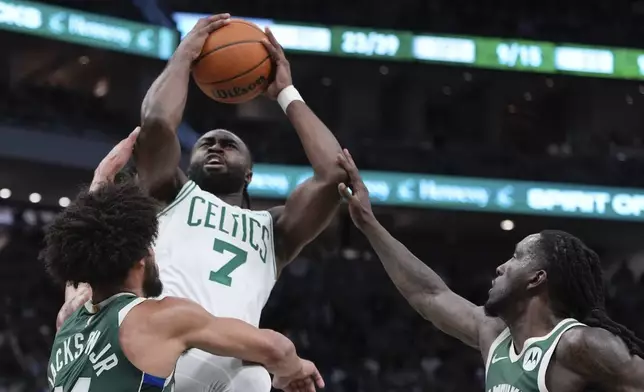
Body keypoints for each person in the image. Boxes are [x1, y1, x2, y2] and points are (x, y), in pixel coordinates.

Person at [62, 13, 347, 391]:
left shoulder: (275, 232)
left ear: (249, 174)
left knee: (254, 378)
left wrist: (285, 92)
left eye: (229, 144)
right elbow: (158, 123)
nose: (215, 146)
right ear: (187, 161)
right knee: (256, 376)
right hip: (158, 347)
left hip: (228, 358)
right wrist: (184, 55)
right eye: (206, 143)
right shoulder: (168, 191)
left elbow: (333, 174)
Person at [336, 148, 644, 392]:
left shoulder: (578, 344)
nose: (500, 267)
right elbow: (428, 294)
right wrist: (369, 224)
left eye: (516, 257)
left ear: (537, 278)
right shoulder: (493, 335)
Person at [43, 134, 324, 392]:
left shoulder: (69, 321)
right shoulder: (162, 318)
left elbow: (84, 256)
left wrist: (99, 185)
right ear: (140, 261)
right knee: (253, 378)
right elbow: (277, 349)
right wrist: (296, 368)